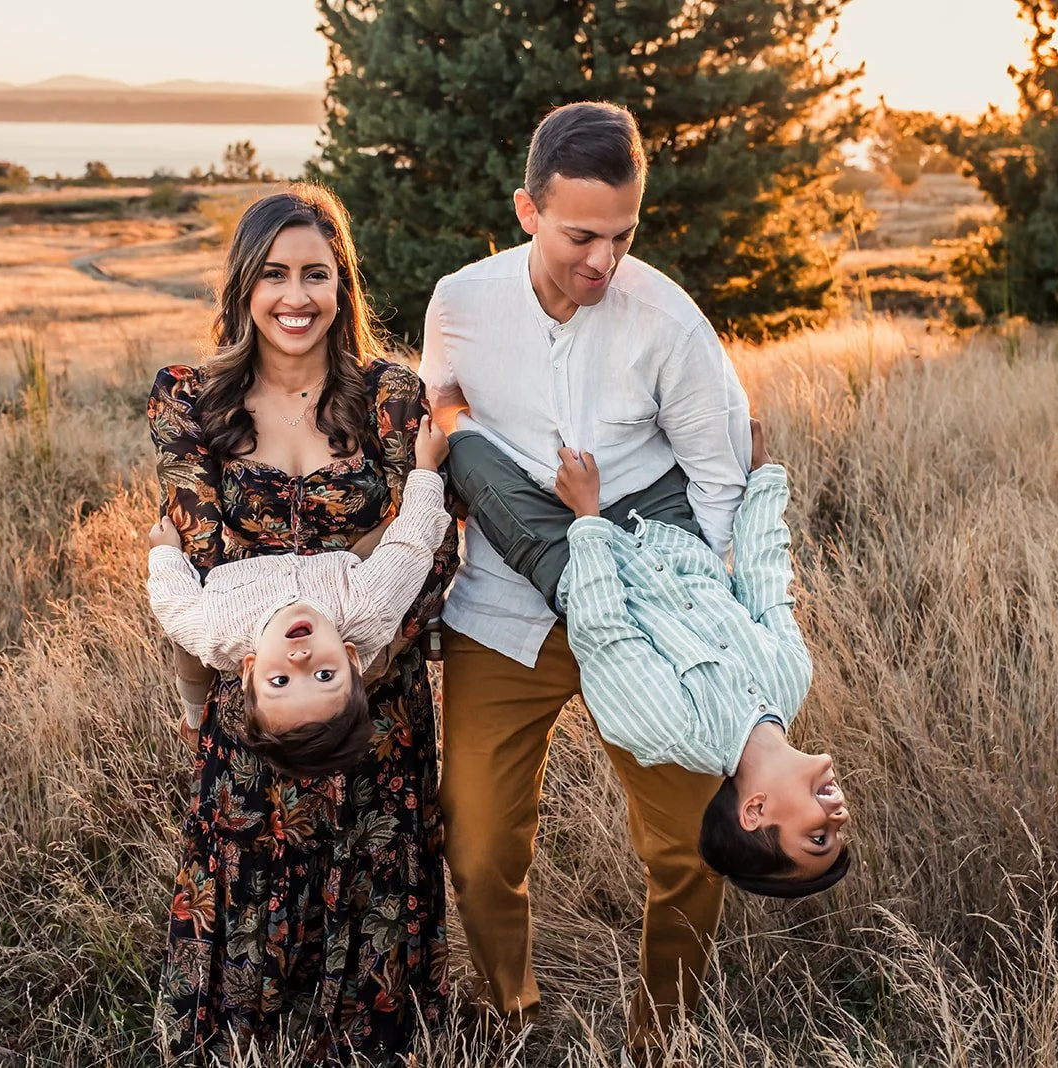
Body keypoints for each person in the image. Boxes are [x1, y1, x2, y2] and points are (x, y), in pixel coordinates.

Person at [420, 100, 752, 1055]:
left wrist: (693, 622)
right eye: (580, 236)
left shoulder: (669, 320)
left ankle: (659, 1042)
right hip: (504, 606)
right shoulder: (460, 303)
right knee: (477, 847)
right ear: (528, 211)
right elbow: (446, 423)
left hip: (645, 608)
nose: (604, 260)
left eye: (624, 234)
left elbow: (721, 481)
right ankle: (511, 1021)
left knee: (690, 846)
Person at [148, 183, 457, 1066]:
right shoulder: (191, 399)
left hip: (376, 702)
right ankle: (246, 1034)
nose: (296, 296)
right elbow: (195, 556)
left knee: (374, 872)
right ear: (243, 284)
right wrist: (351, 560)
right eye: (275, 274)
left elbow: (430, 550)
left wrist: (347, 661)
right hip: (253, 699)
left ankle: (367, 1038)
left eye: (316, 274)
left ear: (341, 283)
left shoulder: (390, 397)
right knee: (249, 875)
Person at [444, 421, 852, 898]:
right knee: (634, 419)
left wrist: (587, 515)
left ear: (755, 811)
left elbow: (604, 631)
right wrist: (763, 477)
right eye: (839, 830)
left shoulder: (675, 731)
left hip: (571, 554)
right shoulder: (791, 677)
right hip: (665, 526)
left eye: (818, 837)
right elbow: (765, 578)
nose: (839, 816)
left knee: (464, 449)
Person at [144, 418, 451, 779]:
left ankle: (194, 718)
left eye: (280, 682)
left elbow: (174, 603)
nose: (301, 659)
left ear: (249, 672)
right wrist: (427, 466)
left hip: (248, 584)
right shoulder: (366, 604)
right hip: (343, 590)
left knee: (190, 652)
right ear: (351, 660)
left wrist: (164, 553)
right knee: (392, 562)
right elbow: (413, 541)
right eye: (324, 675)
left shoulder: (220, 626)